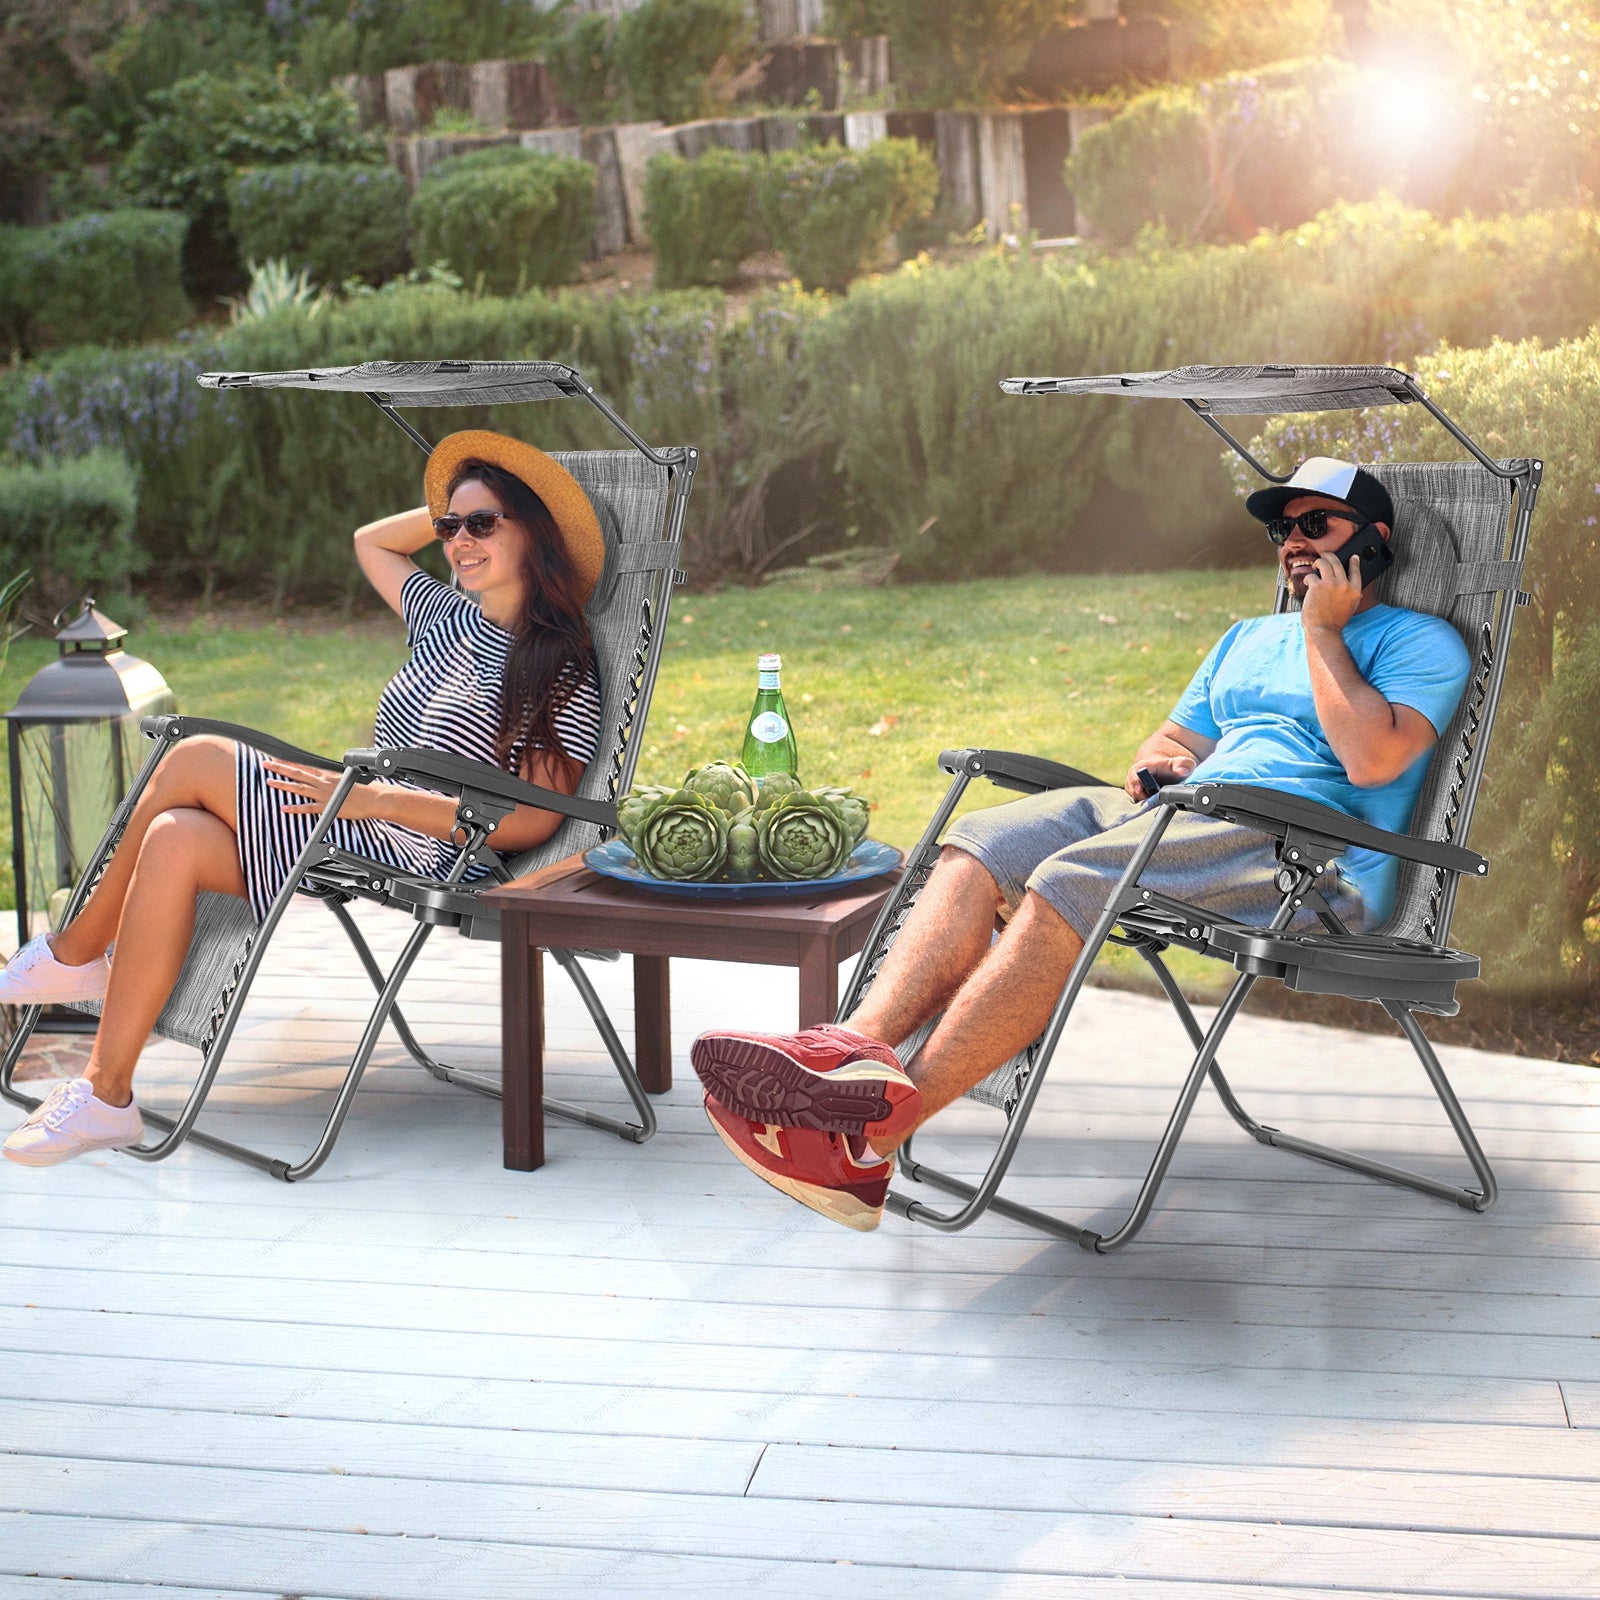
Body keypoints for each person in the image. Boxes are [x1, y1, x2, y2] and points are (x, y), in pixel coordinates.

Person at [690, 457, 1473, 1231]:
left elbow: (1374, 759)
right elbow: (1167, 739)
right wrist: (1160, 764)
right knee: (982, 842)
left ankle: (867, 1143)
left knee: (1073, 878)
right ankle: (844, 1053)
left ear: (1371, 540)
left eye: (1315, 525)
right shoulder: (1245, 638)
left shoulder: (1421, 642)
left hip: (1301, 858)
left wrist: (1322, 634)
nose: (1292, 543)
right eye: (1281, 528)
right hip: (1184, 814)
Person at [3, 431, 604, 1167]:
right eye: (450, 527)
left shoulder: (557, 659)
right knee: (174, 839)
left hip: (430, 843)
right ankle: (105, 1095)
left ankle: (73, 952)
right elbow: (373, 545)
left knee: (194, 756)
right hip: (356, 809)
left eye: (483, 524)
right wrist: (457, 505)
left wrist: (377, 802)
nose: (458, 542)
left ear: (535, 533)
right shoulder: (447, 617)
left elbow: (537, 818)